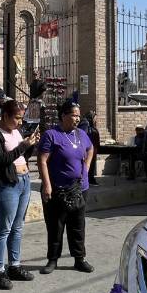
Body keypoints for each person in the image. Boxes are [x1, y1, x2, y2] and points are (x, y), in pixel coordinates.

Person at [0, 99, 39, 289]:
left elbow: (22, 156)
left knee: (17, 227)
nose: (20, 122)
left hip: (24, 181)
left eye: (21, 118)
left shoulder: (16, 131)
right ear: (5, 115)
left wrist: (30, 144)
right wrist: (23, 146)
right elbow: (0, 161)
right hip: (7, 185)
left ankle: (14, 266)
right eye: (16, 118)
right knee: (4, 229)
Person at [38, 101, 95, 274]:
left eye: (78, 115)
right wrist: (47, 185)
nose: (77, 119)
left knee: (77, 225)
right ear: (63, 116)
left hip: (80, 188)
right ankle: (52, 259)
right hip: (57, 189)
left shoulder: (81, 134)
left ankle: (79, 259)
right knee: (55, 225)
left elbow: (90, 148)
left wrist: (86, 167)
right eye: (74, 115)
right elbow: (42, 160)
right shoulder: (52, 135)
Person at [79, 111, 101, 186]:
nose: (96, 120)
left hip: (92, 148)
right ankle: (87, 180)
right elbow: (83, 135)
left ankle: (90, 179)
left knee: (91, 165)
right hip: (87, 149)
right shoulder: (85, 123)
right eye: (95, 118)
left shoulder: (90, 124)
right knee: (88, 165)